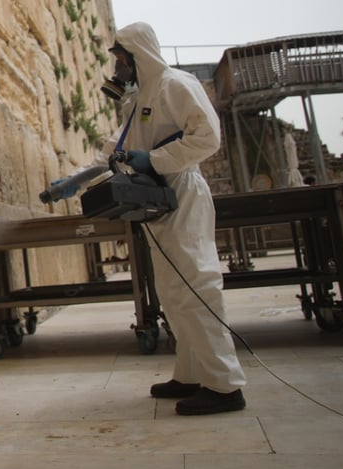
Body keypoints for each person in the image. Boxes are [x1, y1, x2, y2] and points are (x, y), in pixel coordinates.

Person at [46, 21, 246, 415]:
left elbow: (207, 138)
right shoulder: (139, 100)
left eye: (122, 59)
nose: (118, 69)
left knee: (195, 285)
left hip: (182, 193)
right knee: (172, 292)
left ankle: (225, 385)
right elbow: (116, 152)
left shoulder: (177, 85)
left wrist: (154, 159)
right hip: (156, 199)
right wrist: (76, 179)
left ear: (139, 55)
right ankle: (191, 373)